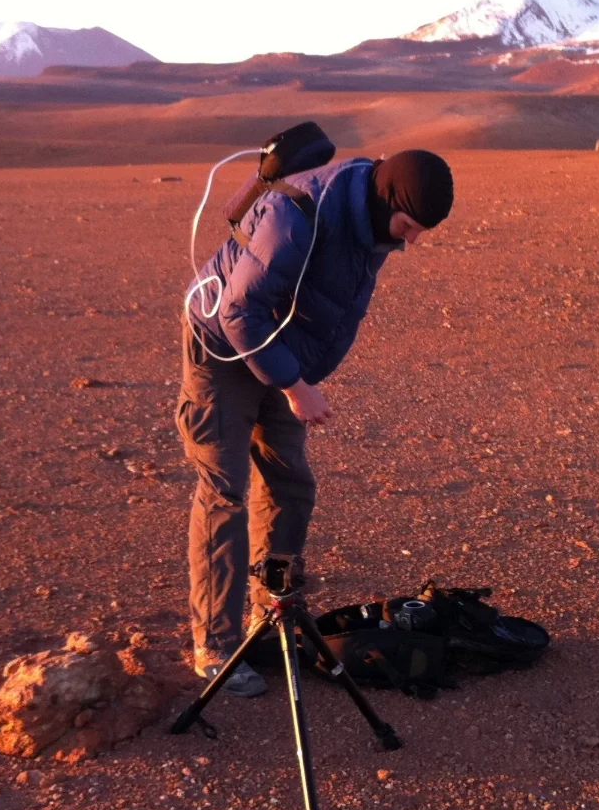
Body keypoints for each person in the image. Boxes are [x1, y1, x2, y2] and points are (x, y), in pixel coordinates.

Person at [177, 143, 454, 697]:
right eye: (409, 224)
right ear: (388, 198)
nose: (411, 239)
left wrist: (294, 375)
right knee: (225, 491)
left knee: (291, 485)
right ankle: (215, 643)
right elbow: (239, 311)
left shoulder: (371, 219)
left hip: (281, 352)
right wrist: (296, 386)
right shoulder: (298, 213)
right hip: (222, 346)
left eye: (421, 230)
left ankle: (270, 616)